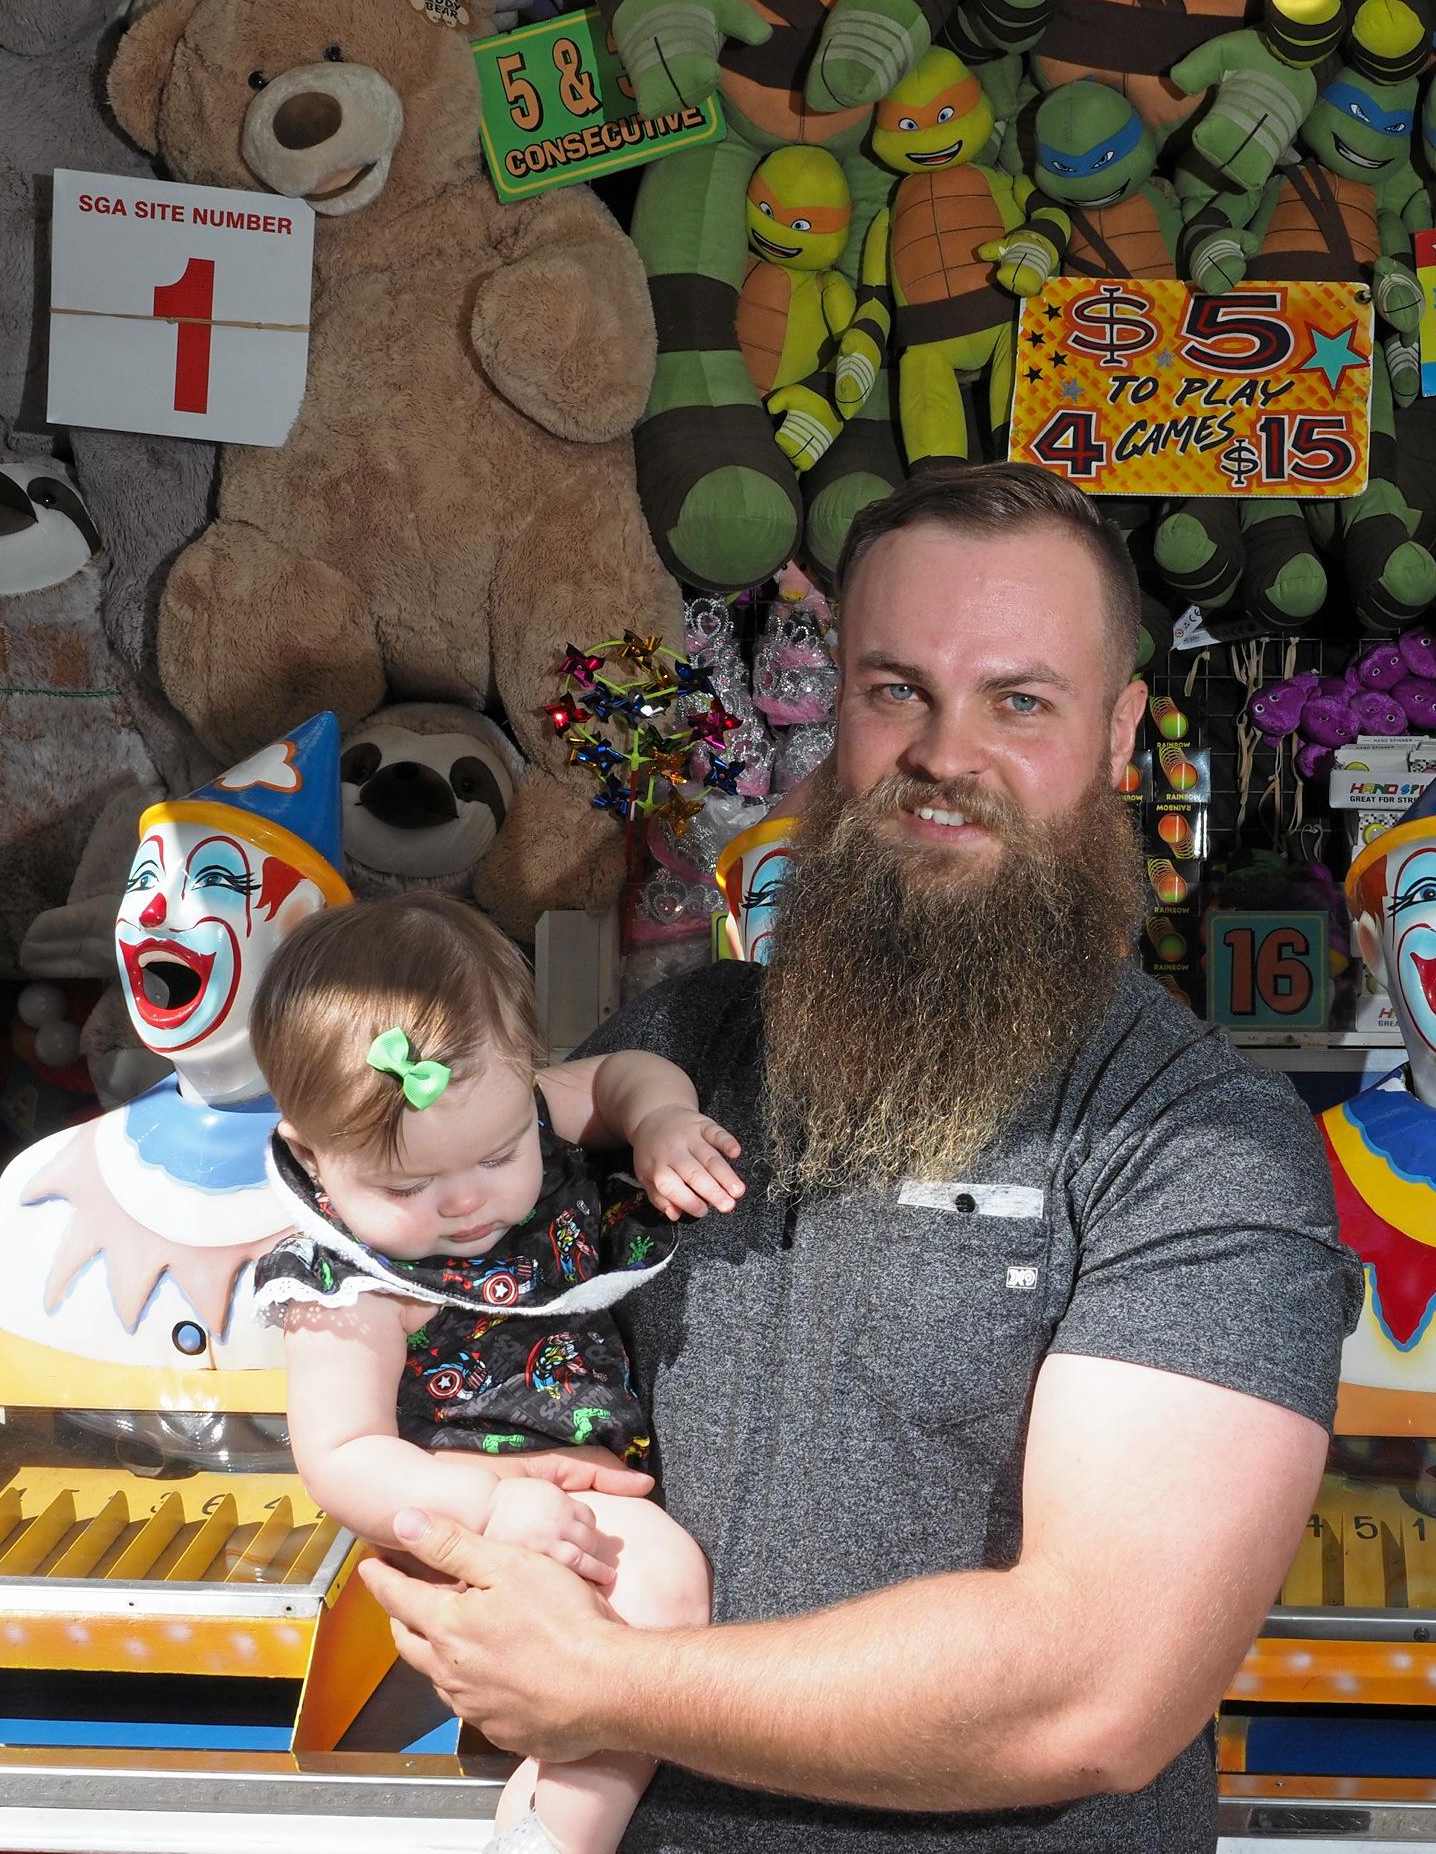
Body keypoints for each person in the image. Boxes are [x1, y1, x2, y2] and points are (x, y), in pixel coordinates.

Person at [359, 463, 1357, 1851]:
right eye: (898, 691)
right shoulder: (675, 1047)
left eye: (1020, 701)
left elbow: (1097, 1693)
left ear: (1122, 732)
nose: (946, 755)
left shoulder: (1197, 1146)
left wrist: (599, 1683)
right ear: (836, 708)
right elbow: (439, 1293)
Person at [247, 891, 747, 1854]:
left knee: (637, 1630)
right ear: (314, 1161)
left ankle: (541, 1804)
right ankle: (558, 1837)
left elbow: (623, 1076)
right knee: (661, 1591)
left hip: (561, 1487)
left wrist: (659, 1120)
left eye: (501, 1153)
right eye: (406, 1188)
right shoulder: (345, 1281)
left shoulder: (511, 1102)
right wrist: (482, 1509)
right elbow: (342, 1455)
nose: (470, 1201)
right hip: (467, 1518)